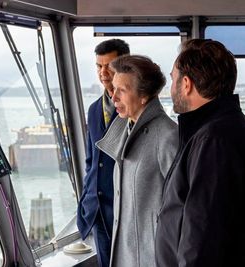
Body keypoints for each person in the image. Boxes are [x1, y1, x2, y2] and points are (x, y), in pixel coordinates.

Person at [155, 39, 245, 267]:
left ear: (186, 84)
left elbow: (203, 235)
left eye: (173, 79)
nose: (171, 87)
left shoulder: (215, 139)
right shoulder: (222, 129)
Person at [96, 55, 178, 267]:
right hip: (126, 255)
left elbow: (182, 211)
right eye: (113, 89)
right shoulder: (125, 129)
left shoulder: (168, 137)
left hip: (152, 258)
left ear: (144, 96)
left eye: (121, 91)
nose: (113, 98)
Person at [77, 39, 129, 267]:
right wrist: (85, 198)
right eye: (99, 66)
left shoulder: (134, 108)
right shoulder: (94, 109)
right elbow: (91, 160)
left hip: (125, 211)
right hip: (97, 210)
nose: (103, 72)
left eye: (109, 65)